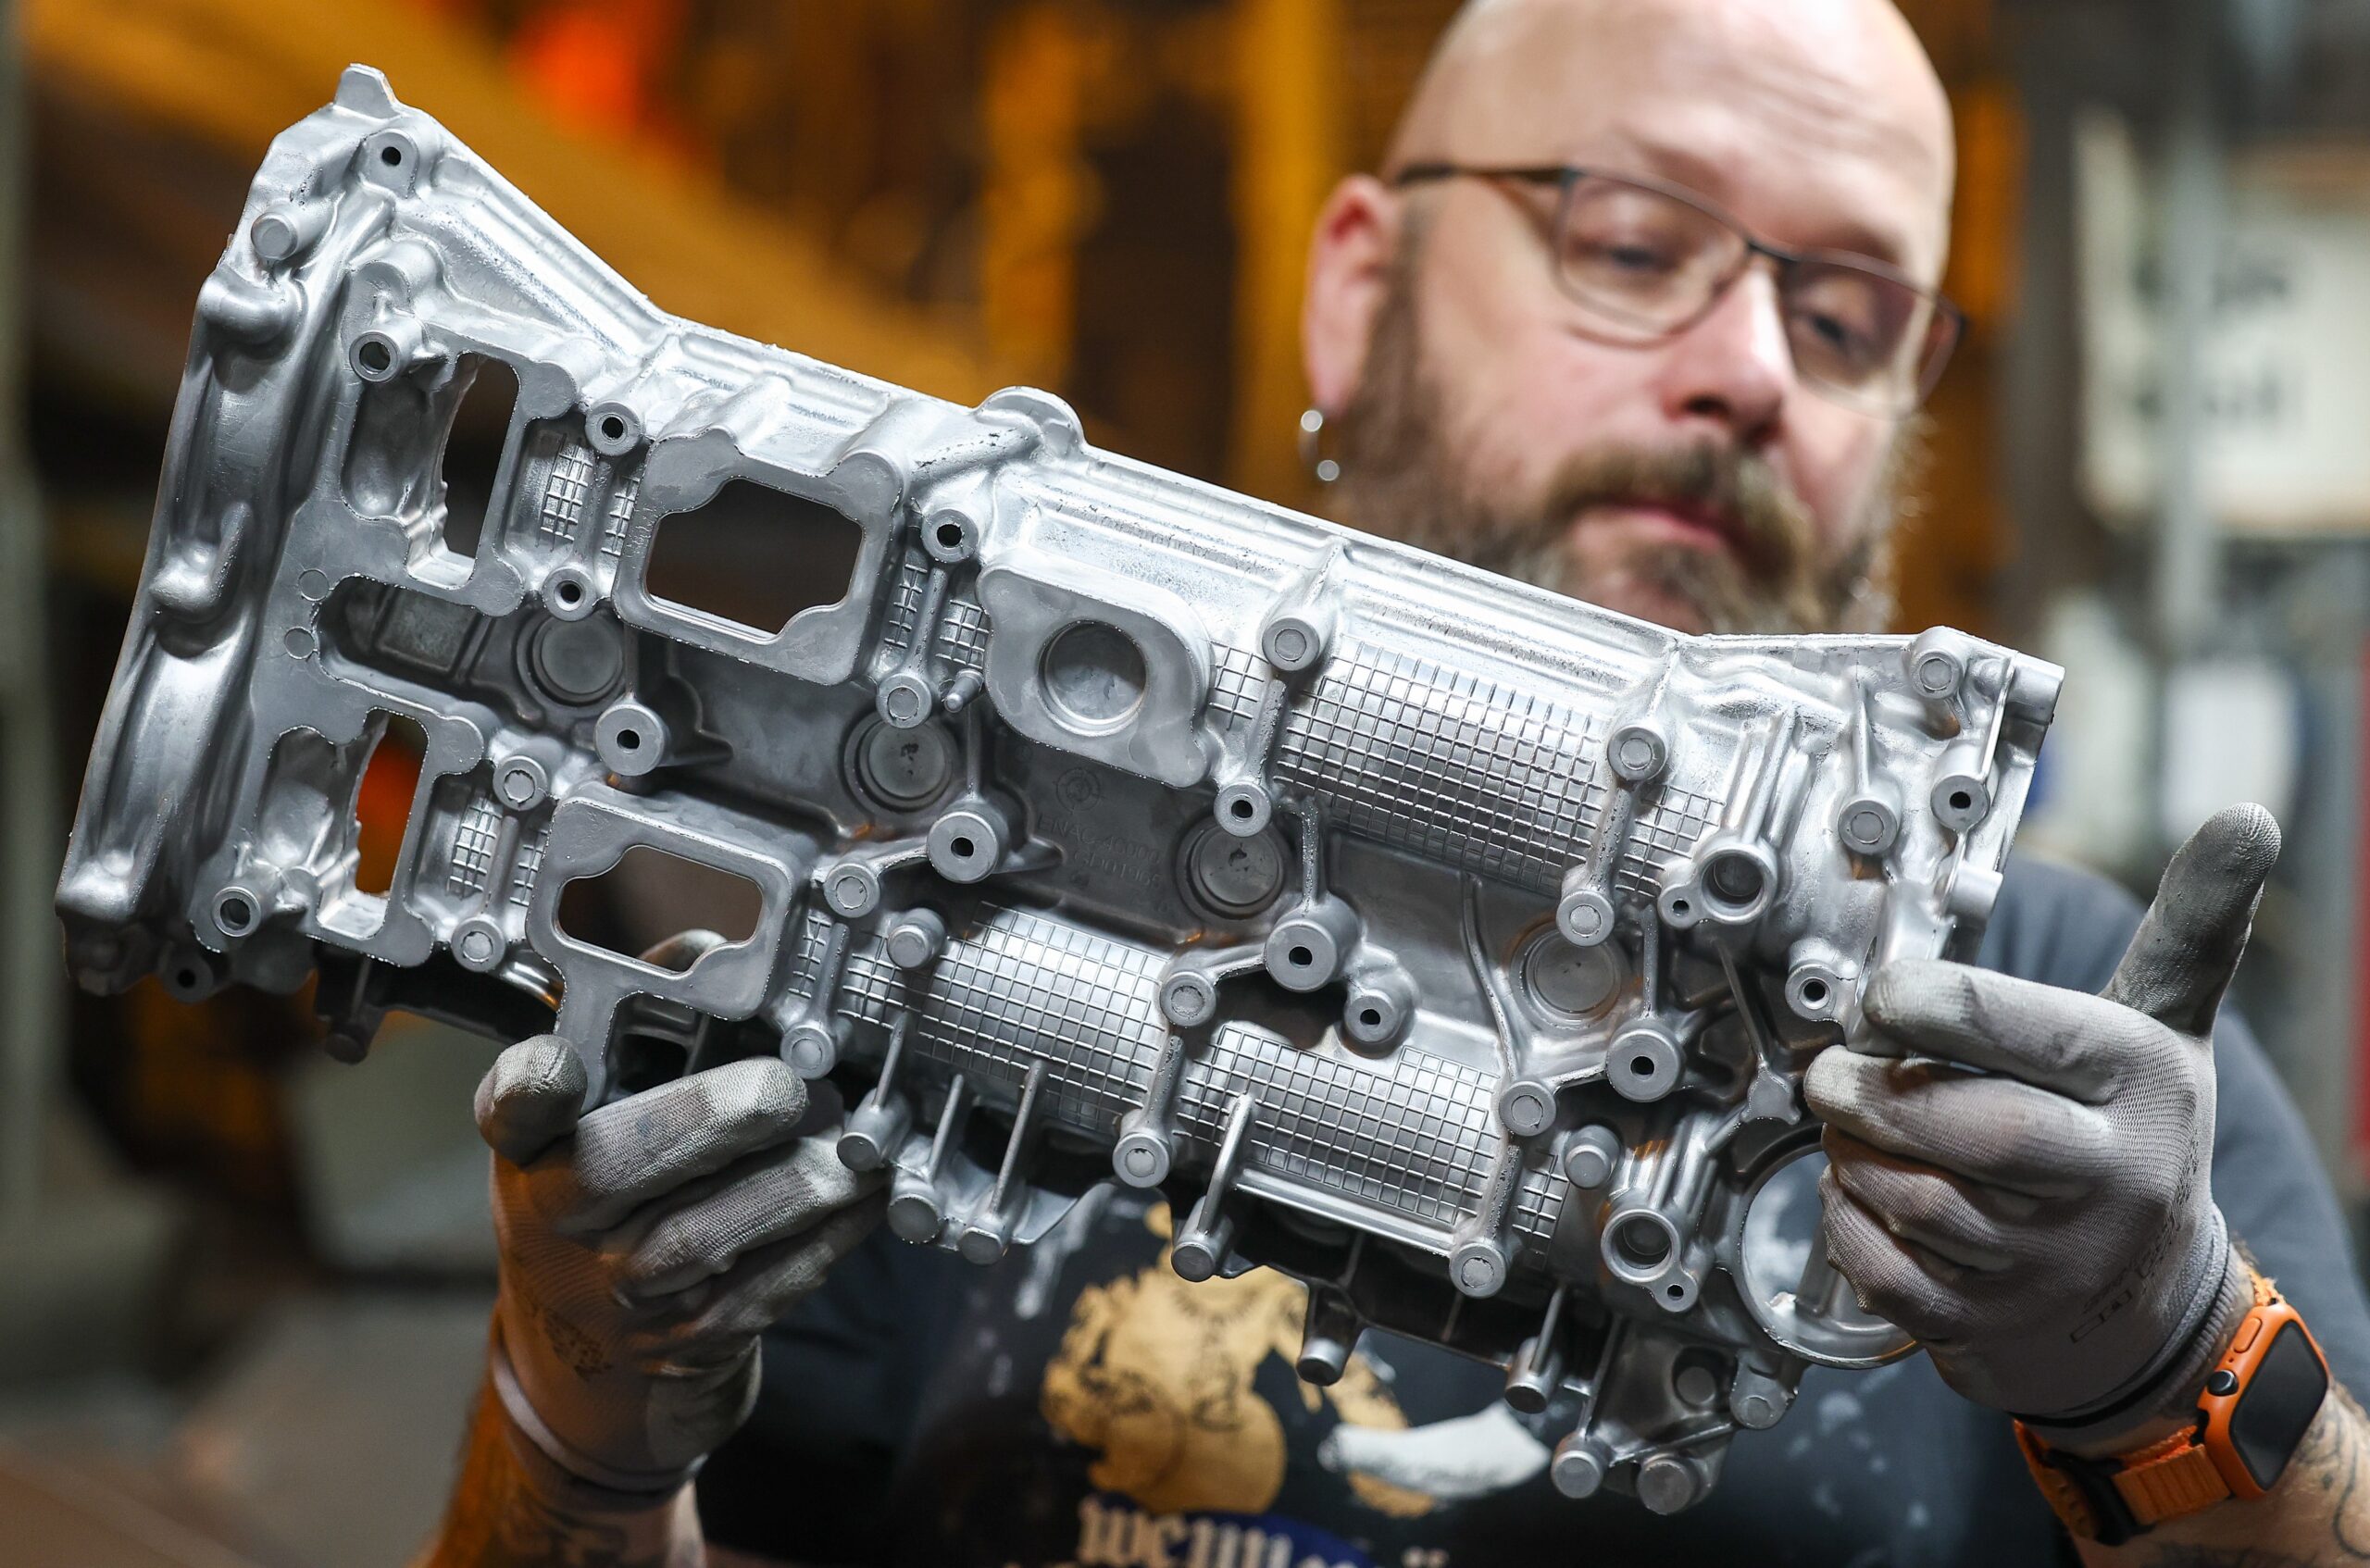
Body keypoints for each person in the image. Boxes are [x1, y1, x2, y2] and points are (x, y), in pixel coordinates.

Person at [421, 2, 2370, 1565]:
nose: (1750, 366)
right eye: (1627, 243)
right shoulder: (917, 912)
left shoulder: (2047, 1056)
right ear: (1356, 292)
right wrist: (575, 1433)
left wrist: (2166, 1369)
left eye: (1848, 318)